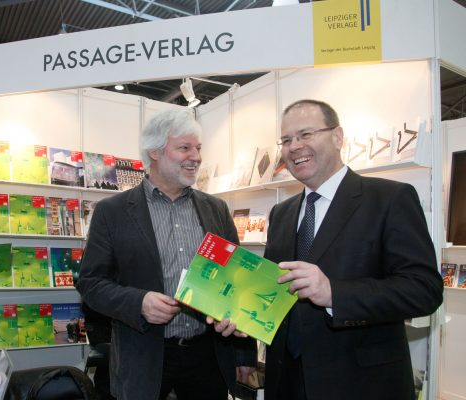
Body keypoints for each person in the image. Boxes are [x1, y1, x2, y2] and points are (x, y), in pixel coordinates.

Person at [260, 99, 443, 399]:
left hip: (359, 383)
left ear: (337, 137)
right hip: (287, 382)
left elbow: (424, 291)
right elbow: (271, 289)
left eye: (305, 134)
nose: (294, 147)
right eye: (286, 140)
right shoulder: (281, 213)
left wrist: (334, 293)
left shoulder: (390, 199)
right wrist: (241, 318)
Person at [76, 109, 256, 400]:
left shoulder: (216, 209)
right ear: (154, 153)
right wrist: (139, 302)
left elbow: (237, 280)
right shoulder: (112, 212)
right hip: (144, 355)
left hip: (207, 356)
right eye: (184, 147)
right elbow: (91, 283)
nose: (196, 156)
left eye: (198, 148)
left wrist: (243, 354)